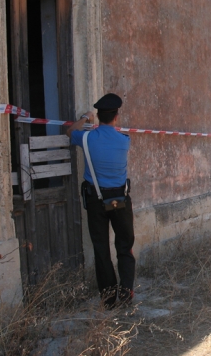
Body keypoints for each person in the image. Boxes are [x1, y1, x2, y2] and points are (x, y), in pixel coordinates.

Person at [66, 93, 135, 308]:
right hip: (120, 198)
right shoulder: (124, 140)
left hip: (96, 199)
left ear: (99, 116)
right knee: (124, 245)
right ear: (116, 117)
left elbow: (70, 132)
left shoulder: (86, 138)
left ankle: (108, 297)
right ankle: (126, 291)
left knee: (101, 248)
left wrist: (86, 117)